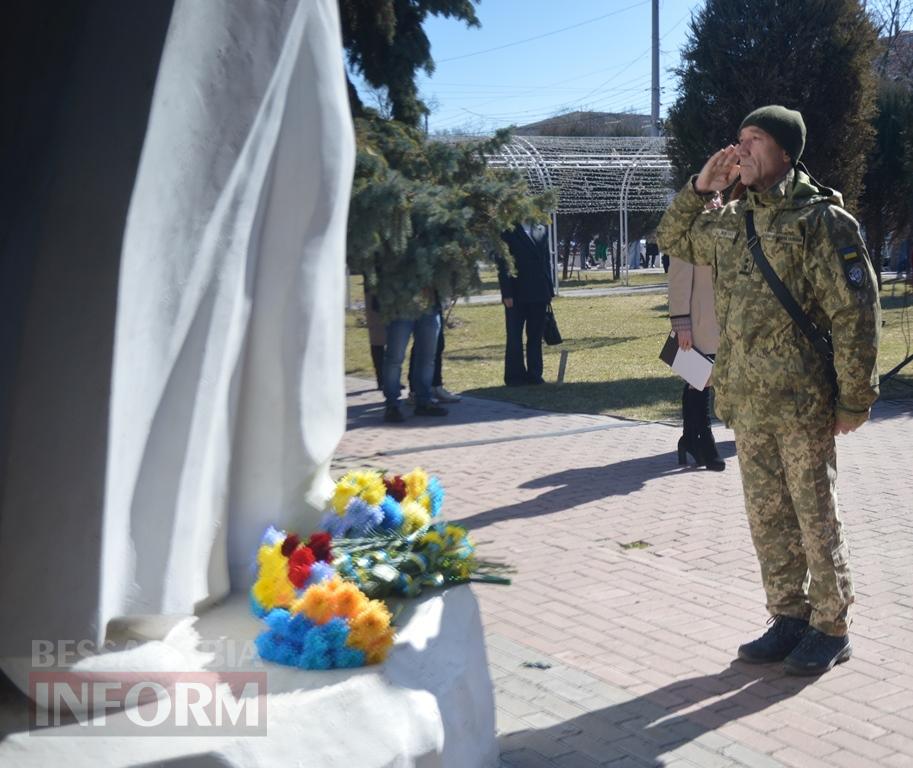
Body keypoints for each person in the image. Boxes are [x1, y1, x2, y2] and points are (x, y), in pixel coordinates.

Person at [657, 105, 880, 676]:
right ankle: (788, 616)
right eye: (739, 139)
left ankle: (831, 626)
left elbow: (856, 315)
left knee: (815, 517)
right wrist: (701, 186)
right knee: (768, 517)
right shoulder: (733, 219)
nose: (742, 149)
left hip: (803, 401)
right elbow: (673, 236)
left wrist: (855, 398)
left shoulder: (821, 221)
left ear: (785, 151)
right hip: (749, 401)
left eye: (754, 139)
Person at [668, 242, 724, 471]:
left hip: (725, 314)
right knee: (700, 376)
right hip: (700, 316)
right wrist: (681, 322)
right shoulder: (689, 227)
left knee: (701, 377)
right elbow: (678, 277)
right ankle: (703, 440)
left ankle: (690, 439)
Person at [498, 221, 555, 386]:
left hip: (539, 292)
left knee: (535, 336)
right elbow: (503, 264)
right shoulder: (508, 230)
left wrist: (549, 290)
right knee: (514, 337)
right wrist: (506, 293)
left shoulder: (541, 228)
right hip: (516, 294)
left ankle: (535, 374)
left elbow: (546, 261)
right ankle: (514, 376)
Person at [382, 292, 449, 423]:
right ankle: (392, 406)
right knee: (395, 358)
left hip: (429, 305)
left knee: (427, 358)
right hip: (400, 304)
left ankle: (424, 402)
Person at [407, 304, 461, 404]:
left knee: (437, 344)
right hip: (422, 303)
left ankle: (435, 386)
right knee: (423, 345)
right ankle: (416, 391)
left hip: (433, 302)